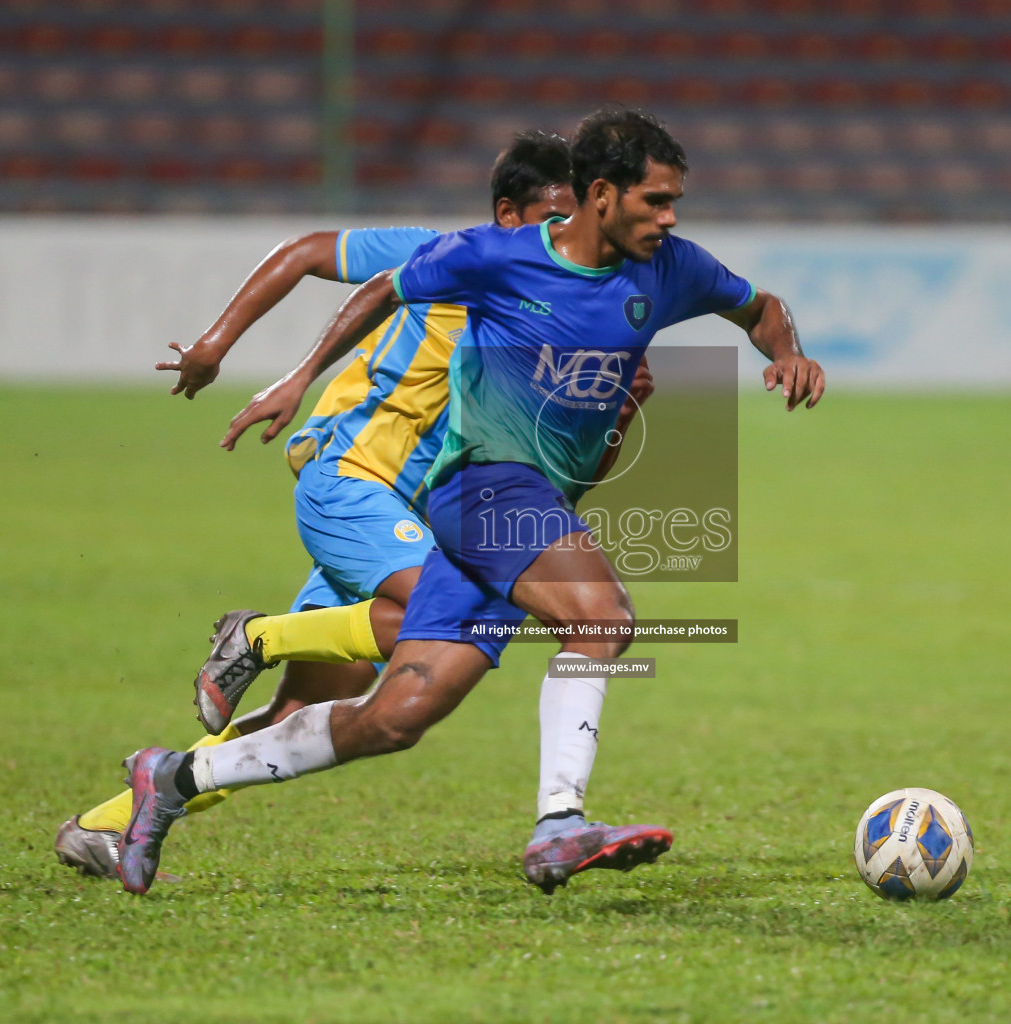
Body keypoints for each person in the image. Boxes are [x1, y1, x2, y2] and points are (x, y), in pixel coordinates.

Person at [114, 107, 824, 896]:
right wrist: (300, 375)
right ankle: (559, 823)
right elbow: (385, 286)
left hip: (531, 507)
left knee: (394, 717)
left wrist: (787, 352)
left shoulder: (671, 268)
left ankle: (172, 776)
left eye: (674, 202)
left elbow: (759, 307)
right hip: (480, 485)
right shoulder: (495, 256)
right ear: (600, 194)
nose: (670, 217)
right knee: (601, 619)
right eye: (655, 200)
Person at [55, 131, 650, 884]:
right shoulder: (448, 254)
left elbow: (555, 483)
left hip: (425, 513)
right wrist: (224, 346)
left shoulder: (565, 317)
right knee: (419, 623)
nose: (566, 237)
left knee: (291, 718)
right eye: (551, 216)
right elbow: (308, 251)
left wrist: (618, 414)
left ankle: (106, 825)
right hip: (354, 478)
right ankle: (258, 635)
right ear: (508, 214)